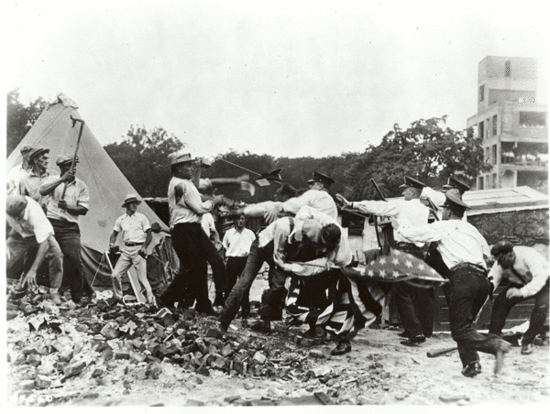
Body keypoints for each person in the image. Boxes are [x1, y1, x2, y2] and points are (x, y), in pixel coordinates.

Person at [397, 194, 512, 377]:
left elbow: (414, 233)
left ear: (448, 211)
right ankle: (472, 364)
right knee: (465, 325)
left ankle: (496, 345)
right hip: (482, 281)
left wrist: (400, 227)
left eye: (444, 210)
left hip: (463, 278)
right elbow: (490, 256)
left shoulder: (443, 226)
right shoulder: (473, 230)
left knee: (459, 332)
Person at [336, 175, 434, 345]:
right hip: (418, 252)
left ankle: (416, 333)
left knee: (401, 293)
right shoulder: (425, 209)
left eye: (405, 190)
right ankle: (418, 329)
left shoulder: (402, 205)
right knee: (413, 292)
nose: (403, 192)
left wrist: (352, 204)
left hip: (403, 251)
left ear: (412, 191)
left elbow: (378, 207)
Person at [157, 153, 224, 315]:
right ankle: (167, 298)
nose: (191, 168)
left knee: (203, 265)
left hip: (192, 228)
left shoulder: (183, 183)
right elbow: (200, 208)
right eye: (188, 166)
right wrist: (214, 201)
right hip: (184, 229)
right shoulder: (180, 185)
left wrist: (199, 168)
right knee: (193, 268)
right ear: (178, 168)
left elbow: (194, 184)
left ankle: (203, 303)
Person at [39, 155, 95, 303]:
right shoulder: (52, 180)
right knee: (50, 256)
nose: (72, 169)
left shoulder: (81, 185)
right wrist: (61, 180)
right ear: (61, 168)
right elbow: (43, 191)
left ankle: (77, 297)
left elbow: (83, 209)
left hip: (70, 228)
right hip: (52, 224)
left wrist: (68, 207)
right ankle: (49, 291)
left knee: (75, 261)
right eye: (69, 166)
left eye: (74, 166)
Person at [488, 241, 549, 356]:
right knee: (500, 302)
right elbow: (492, 281)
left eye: (501, 259)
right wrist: (484, 294)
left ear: (511, 254)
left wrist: (521, 292)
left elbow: (539, 279)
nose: (499, 264)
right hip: (520, 282)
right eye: (497, 260)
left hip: (543, 282)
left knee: (542, 307)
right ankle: (494, 339)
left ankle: (527, 341)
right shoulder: (500, 262)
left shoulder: (529, 256)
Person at [6, 195, 64, 304]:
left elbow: (44, 243)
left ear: (25, 209)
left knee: (56, 254)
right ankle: (18, 285)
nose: (17, 219)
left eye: (19, 215)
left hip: (41, 236)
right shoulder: (6, 209)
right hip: (19, 234)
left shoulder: (35, 213)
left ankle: (54, 291)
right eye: (13, 216)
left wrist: (33, 271)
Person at [108, 194, 155, 304]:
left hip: (138, 249)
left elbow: (149, 233)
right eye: (131, 204)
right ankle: (118, 298)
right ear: (127, 206)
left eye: (135, 203)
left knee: (142, 278)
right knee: (115, 275)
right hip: (126, 249)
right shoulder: (121, 219)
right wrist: (111, 244)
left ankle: (151, 302)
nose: (134, 205)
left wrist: (144, 247)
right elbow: (114, 233)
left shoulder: (141, 217)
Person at [264, 171, 338, 223]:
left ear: (320, 186)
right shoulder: (331, 202)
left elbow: (297, 204)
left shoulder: (315, 193)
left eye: (312, 184)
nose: (309, 186)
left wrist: (280, 207)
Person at [222, 213, 257, 316]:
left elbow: (255, 249)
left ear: (245, 220)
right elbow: (224, 248)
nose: (240, 221)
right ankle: (228, 311)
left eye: (242, 219)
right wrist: (224, 261)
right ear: (234, 220)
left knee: (245, 287)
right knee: (230, 286)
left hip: (245, 261)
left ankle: (245, 312)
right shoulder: (228, 233)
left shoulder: (250, 234)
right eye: (238, 219)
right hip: (232, 261)